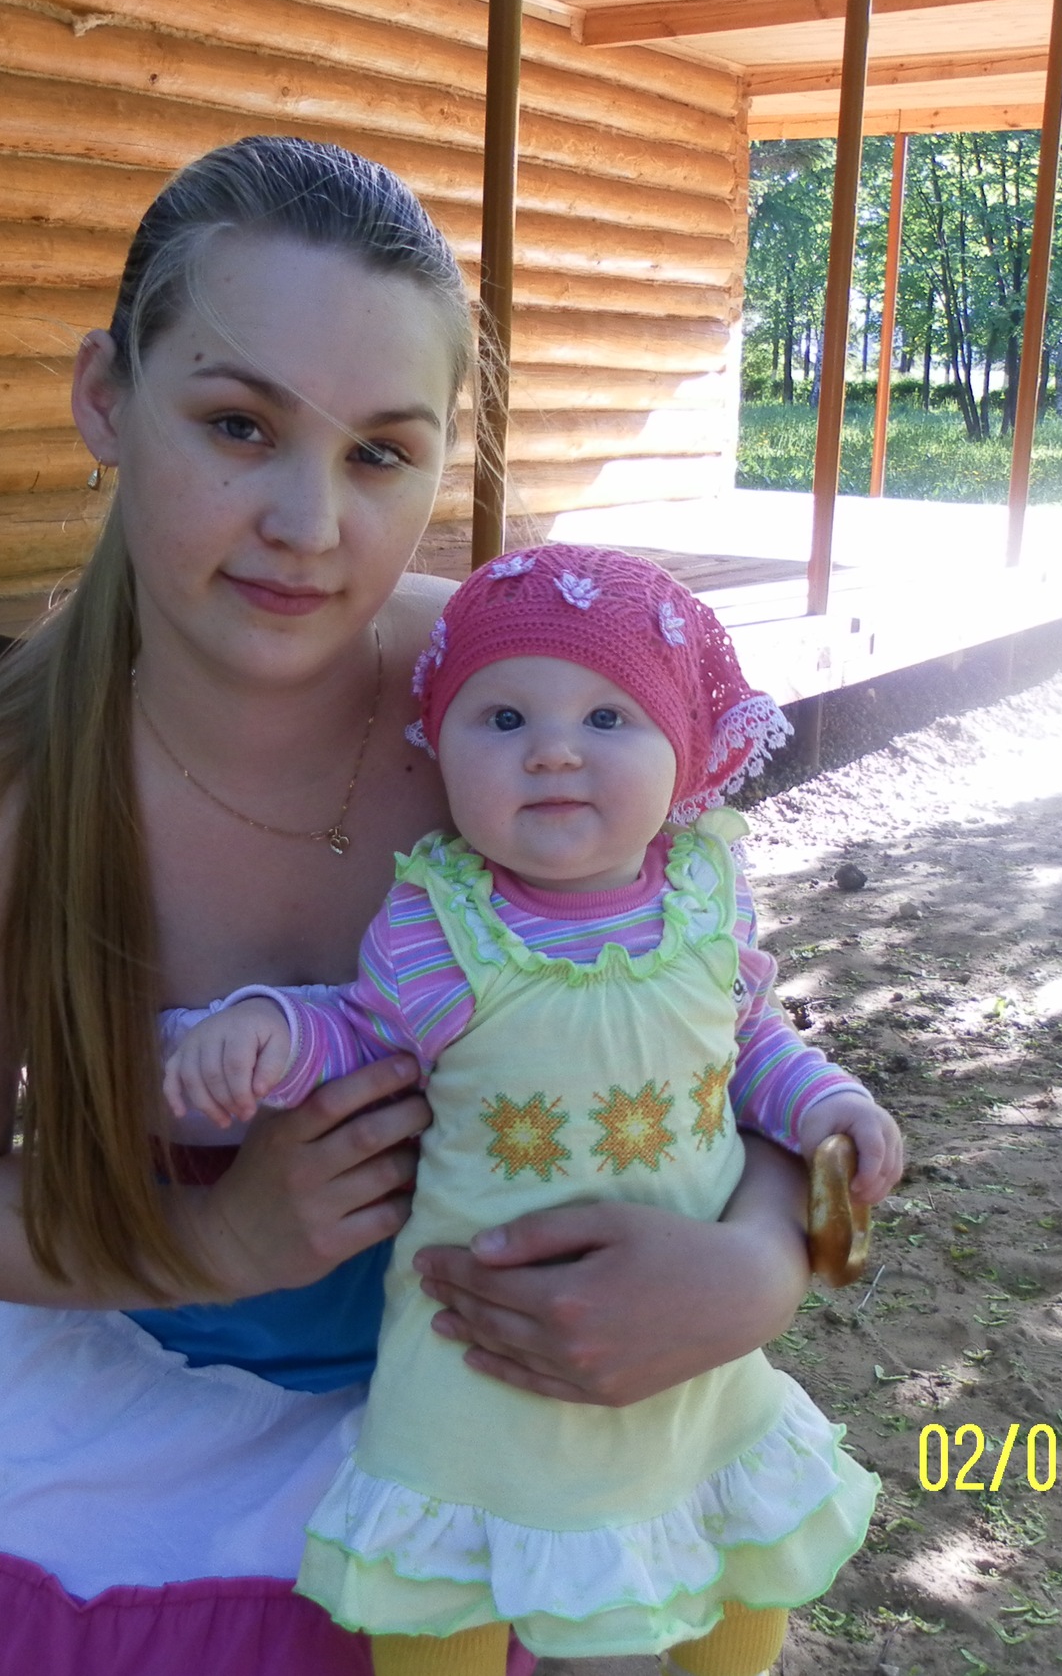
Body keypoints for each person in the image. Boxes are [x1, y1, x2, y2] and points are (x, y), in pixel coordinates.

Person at [0, 137, 841, 1676]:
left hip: (550, 1449)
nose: (309, 521)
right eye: (240, 424)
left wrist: (757, 1261)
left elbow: (711, 1016)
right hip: (155, 1450)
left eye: (380, 453)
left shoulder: (512, 704)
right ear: (106, 396)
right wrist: (210, 1240)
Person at [163, 546, 902, 1674]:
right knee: (445, 1587)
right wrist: (263, 1028)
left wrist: (829, 1105)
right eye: (503, 718)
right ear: (439, 749)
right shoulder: (439, 926)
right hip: (478, 1355)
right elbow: (358, 1031)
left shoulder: (707, 895)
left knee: (729, 1555)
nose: (553, 749)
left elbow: (748, 1043)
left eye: (608, 717)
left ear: (683, 747)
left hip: (686, 1334)